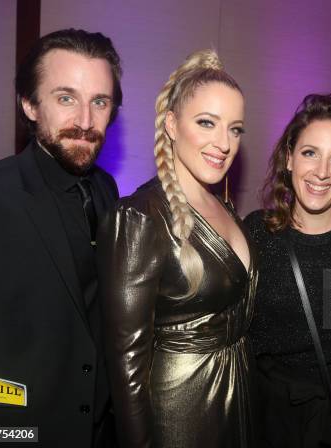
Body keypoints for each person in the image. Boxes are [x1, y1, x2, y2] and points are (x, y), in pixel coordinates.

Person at [0, 29, 121, 447]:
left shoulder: (108, 192)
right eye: (66, 98)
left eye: (99, 102)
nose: (85, 122)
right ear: (30, 105)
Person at [97, 49, 257, 448]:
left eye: (235, 129)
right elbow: (126, 365)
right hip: (180, 412)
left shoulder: (225, 207)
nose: (224, 143)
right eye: (207, 123)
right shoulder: (139, 217)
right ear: (171, 124)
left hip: (236, 399)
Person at [244, 94, 331, 447]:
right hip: (276, 423)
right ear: (289, 157)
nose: (322, 172)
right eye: (310, 153)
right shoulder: (257, 232)